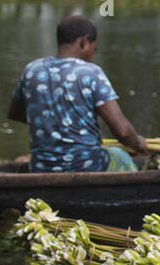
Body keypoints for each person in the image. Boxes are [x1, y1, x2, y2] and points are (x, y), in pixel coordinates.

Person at [8, 15, 148, 172]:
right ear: (84, 42)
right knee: (120, 155)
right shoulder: (91, 73)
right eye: (94, 49)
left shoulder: (32, 70)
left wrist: (51, 123)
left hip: (41, 167)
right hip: (87, 166)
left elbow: (15, 113)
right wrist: (138, 143)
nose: (92, 55)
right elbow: (122, 132)